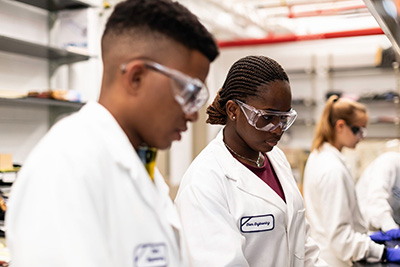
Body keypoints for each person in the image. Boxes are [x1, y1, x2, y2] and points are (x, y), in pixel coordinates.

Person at [5, 0, 219, 266]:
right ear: (136, 77)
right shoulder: (65, 168)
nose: (193, 114)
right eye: (188, 92)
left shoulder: (136, 164)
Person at [175, 55, 328, 267]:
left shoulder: (277, 159)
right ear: (233, 110)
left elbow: (302, 247)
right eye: (266, 117)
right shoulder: (204, 183)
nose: (277, 129)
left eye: (283, 119)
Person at [302, 95, 400, 266]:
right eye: (358, 130)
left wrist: (368, 238)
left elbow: (332, 225)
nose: (361, 137)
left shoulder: (319, 157)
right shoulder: (332, 169)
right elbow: (341, 239)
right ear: (340, 126)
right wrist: (384, 252)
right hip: (337, 261)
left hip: (329, 253)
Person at [356, 151, 400, 232]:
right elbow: (376, 201)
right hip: (366, 227)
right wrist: (391, 228)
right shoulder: (388, 163)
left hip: (386, 228)